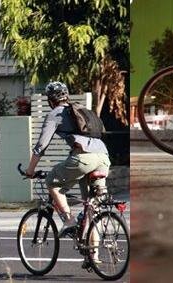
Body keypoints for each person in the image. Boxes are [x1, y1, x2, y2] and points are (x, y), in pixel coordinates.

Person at [23, 82, 110, 245]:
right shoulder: (81, 109)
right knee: (93, 209)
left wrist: (30, 170)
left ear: (50, 100)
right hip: (104, 156)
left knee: (52, 183)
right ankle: (94, 256)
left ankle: (69, 221)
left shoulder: (55, 113)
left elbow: (41, 147)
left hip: (84, 157)